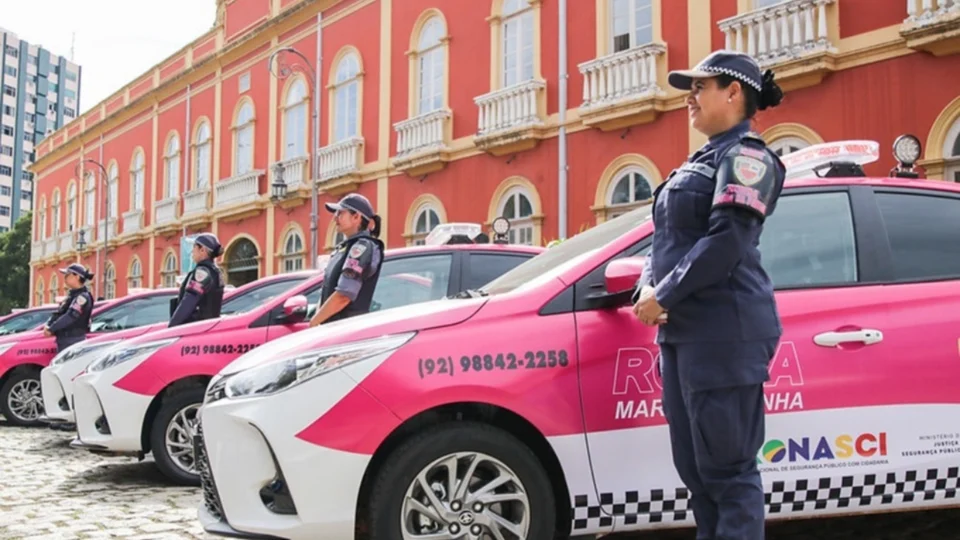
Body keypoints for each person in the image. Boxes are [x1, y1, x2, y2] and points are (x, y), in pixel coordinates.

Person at [631, 50, 786, 540]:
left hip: (724, 335)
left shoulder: (748, 157)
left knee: (729, 474)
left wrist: (666, 294)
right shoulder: (702, 160)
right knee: (698, 474)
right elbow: (668, 239)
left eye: (700, 87)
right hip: (684, 337)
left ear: (734, 92)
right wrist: (646, 285)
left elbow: (728, 241)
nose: (690, 99)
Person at [308, 193, 385, 328]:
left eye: (340, 213)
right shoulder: (346, 248)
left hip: (347, 330)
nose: (335, 218)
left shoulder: (362, 247)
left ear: (356, 217)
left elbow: (344, 295)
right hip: (336, 329)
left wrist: (314, 322)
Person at [169, 233, 226, 328]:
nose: (192, 251)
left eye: (194, 247)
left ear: (202, 250)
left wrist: (172, 326)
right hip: (207, 327)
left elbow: (188, 302)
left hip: (195, 329)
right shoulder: (215, 271)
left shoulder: (202, 273)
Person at [43, 263, 96, 352]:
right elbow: (60, 313)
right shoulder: (72, 295)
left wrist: (52, 328)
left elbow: (70, 316)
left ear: (77, 277)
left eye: (68, 275)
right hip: (66, 339)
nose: (65, 278)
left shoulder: (82, 297)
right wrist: (49, 324)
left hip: (73, 340)